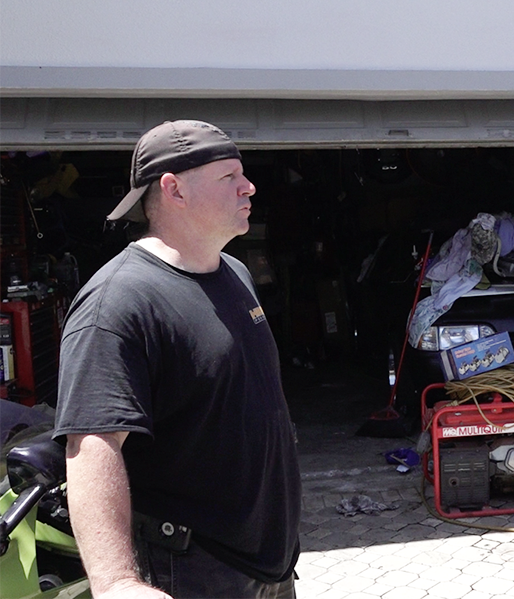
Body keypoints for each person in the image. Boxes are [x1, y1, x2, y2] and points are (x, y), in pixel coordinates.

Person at [53, 120, 301, 599]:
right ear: (174, 189)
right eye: (230, 176)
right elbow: (91, 445)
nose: (249, 186)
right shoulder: (120, 301)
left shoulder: (235, 273)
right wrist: (116, 583)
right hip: (190, 571)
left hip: (269, 565)